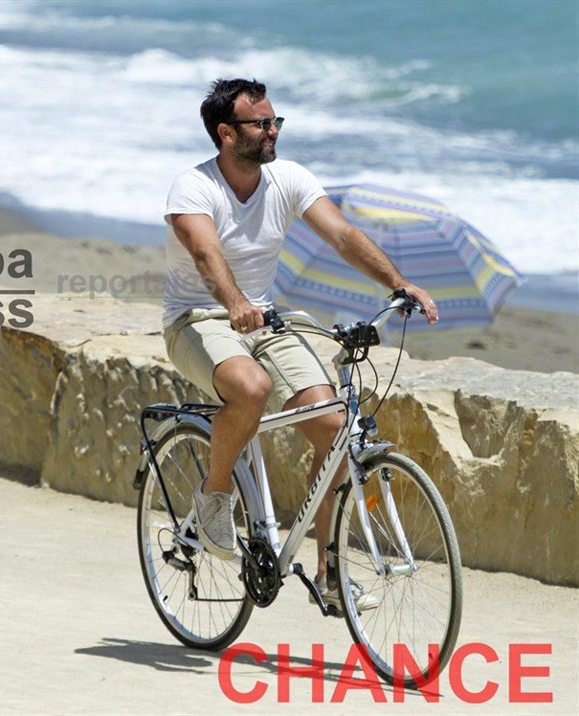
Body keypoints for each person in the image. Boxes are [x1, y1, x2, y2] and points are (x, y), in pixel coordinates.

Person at [162, 78, 438, 610]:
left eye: (275, 122)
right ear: (225, 133)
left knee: (336, 430)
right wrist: (236, 302)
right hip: (197, 319)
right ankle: (216, 493)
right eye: (260, 124)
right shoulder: (192, 188)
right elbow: (205, 254)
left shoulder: (287, 178)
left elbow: (342, 235)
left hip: (265, 318)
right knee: (251, 387)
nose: (272, 132)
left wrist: (397, 283)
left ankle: (330, 575)